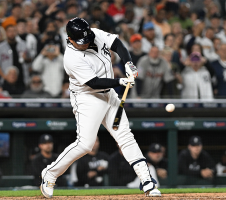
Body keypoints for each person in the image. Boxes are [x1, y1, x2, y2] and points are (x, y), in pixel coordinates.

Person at [40, 17, 161, 198]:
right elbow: (94, 83)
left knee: (125, 136)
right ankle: (50, 174)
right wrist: (121, 81)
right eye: (81, 40)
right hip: (88, 97)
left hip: (109, 94)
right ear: (70, 39)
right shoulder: (71, 58)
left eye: (87, 37)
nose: (86, 42)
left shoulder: (94, 34)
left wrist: (128, 63)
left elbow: (117, 43)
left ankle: (147, 181)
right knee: (85, 144)